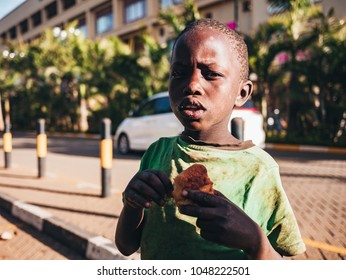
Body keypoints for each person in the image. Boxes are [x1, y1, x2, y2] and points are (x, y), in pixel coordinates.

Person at [115, 18, 305, 260]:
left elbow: (289, 261)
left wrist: (256, 242)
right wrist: (132, 206)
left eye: (212, 74)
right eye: (179, 73)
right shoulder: (157, 152)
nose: (192, 85)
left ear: (242, 93)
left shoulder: (259, 169)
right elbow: (126, 245)